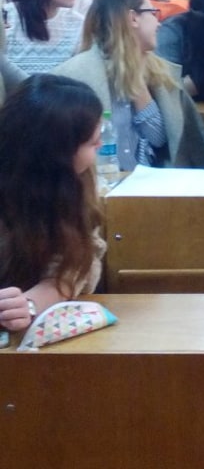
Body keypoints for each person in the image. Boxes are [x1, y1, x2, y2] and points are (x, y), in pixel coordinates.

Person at [56, 0, 204, 169]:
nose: (159, 24)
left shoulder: (157, 71)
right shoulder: (75, 76)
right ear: (133, 18)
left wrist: (137, 82)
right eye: (153, 13)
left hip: (146, 183)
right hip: (99, 186)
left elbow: (158, 139)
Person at [0, 75, 106, 330]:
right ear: (58, 154)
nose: (101, 146)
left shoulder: (77, 185)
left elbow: (79, 263)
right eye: (93, 143)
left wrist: (29, 303)